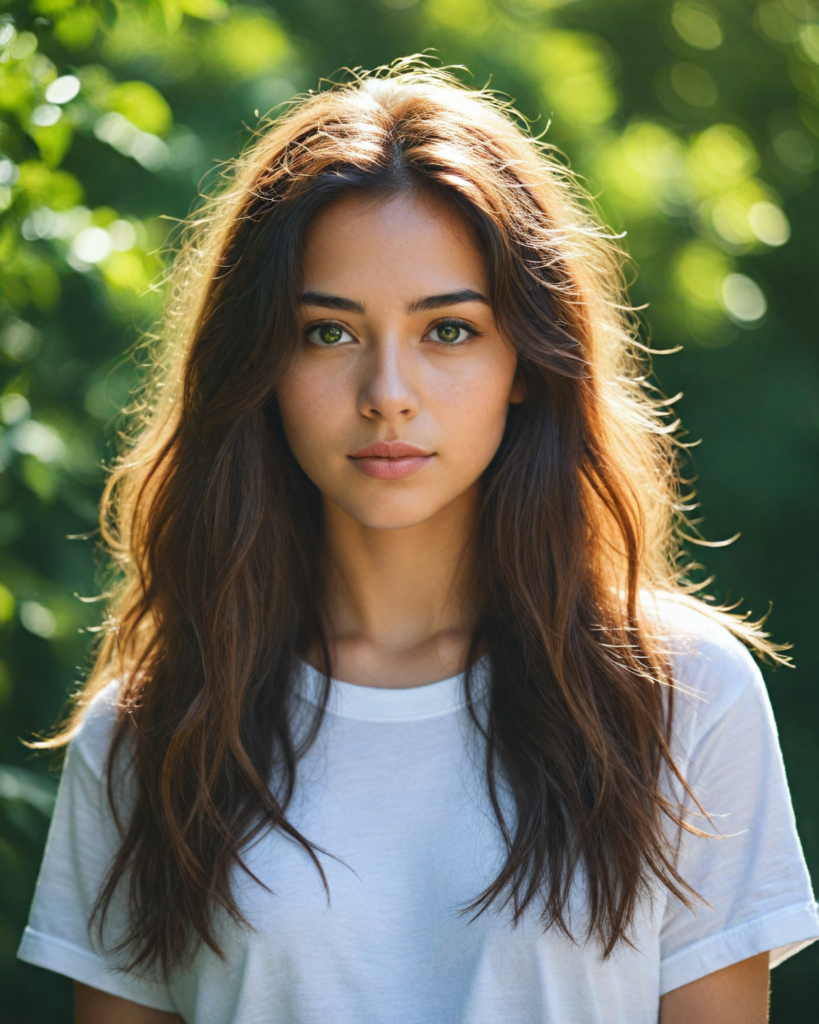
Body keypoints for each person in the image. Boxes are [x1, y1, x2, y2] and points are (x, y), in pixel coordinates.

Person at [17, 62, 819, 1024]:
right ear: (260, 363)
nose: (386, 391)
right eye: (327, 334)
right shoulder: (151, 733)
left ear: (525, 359)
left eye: (447, 330)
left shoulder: (682, 699)